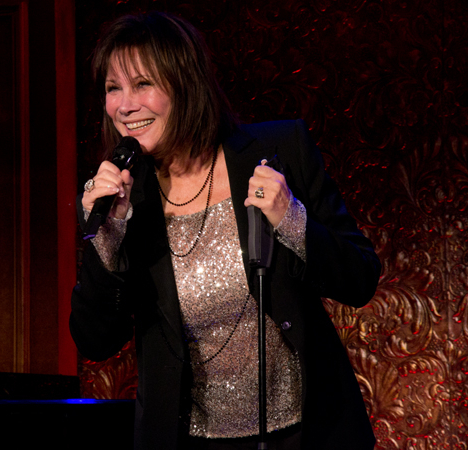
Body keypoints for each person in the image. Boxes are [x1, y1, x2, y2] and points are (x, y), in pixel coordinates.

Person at [70, 11, 381, 450]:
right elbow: (95, 340)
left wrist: (292, 218)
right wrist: (107, 238)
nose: (124, 105)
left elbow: (360, 279)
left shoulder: (278, 151)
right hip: (191, 441)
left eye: (142, 84)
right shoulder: (123, 200)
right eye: (112, 88)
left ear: (185, 84)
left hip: (305, 434)